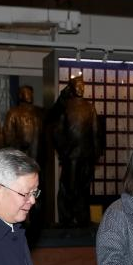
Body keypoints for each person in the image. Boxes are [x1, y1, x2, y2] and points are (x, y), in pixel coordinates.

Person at [49, 75, 102, 227]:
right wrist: (63, 151)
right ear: (72, 88)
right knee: (68, 187)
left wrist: (96, 154)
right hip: (71, 156)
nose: (80, 88)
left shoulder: (90, 107)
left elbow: (95, 132)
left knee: (84, 187)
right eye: (78, 85)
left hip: (87, 155)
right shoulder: (65, 106)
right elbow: (57, 131)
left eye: (82, 86)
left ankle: (82, 218)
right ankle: (66, 219)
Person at [3, 85, 43, 160]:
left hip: (39, 155)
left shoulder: (40, 112)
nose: (30, 95)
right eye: (27, 92)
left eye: (31, 93)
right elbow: (7, 137)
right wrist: (19, 144)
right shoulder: (13, 113)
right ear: (20, 95)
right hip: (21, 155)